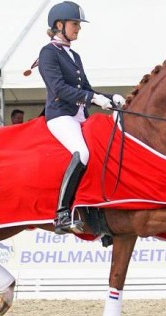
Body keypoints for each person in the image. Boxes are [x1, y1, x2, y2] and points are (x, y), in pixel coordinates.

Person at [38, 1, 125, 234]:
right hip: (60, 115)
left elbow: (86, 87)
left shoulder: (74, 55)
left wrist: (111, 97)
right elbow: (59, 89)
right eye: (74, 24)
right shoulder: (48, 53)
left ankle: (97, 216)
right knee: (83, 152)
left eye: (78, 24)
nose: (78, 28)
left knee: (100, 154)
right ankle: (62, 214)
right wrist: (94, 100)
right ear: (59, 25)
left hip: (79, 115)